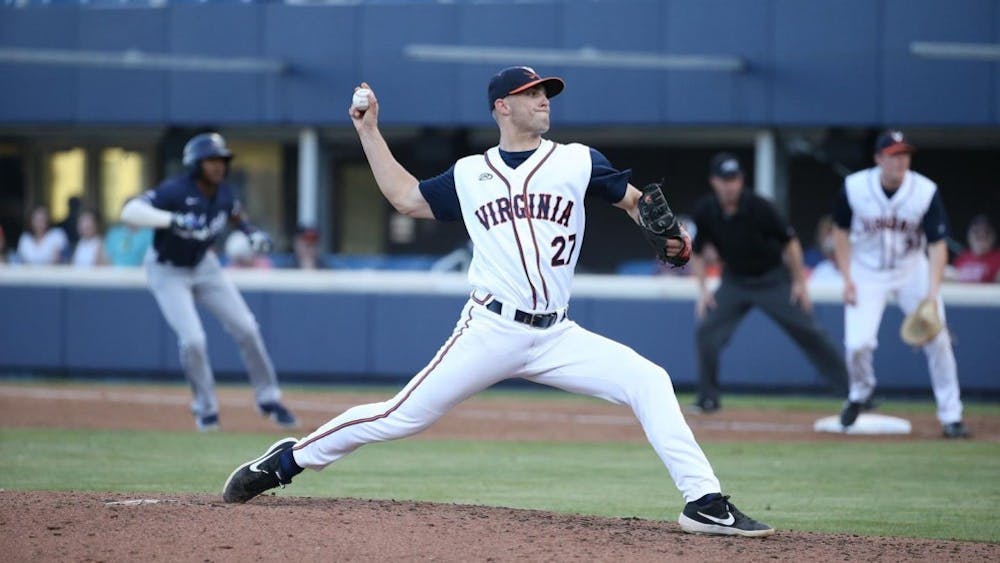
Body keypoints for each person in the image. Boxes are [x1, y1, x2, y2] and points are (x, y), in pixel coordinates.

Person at [222, 67, 774, 538]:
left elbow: (635, 202)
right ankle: (286, 461)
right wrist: (369, 132)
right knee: (399, 416)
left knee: (648, 379)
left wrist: (667, 234)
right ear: (502, 107)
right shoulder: (470, 174)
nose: (543, 101)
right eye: (533, 94)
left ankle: (704, 502)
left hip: (557, 335)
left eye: (547, 94)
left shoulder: (578, 161)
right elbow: (405, 199)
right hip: (490, 329)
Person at [119, 132, 298, 432]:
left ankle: (268, 398)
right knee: (193, 341)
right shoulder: (175, 190)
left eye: (222, 160)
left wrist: (253, 234)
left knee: (247, 328)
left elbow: (237, 217)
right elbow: (130, 212)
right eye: (211, 160)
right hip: (167, 269)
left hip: (204, 264)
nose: (218, 166)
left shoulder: (225, 192)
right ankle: (205, 409)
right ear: (196, 164)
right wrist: (171, 220)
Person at [832, 130, 969, 438]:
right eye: (893, 155)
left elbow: (937, 245)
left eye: (904, 154)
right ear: (879, 158)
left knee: (939, 338)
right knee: (858, 344)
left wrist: (932, 294)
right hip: (866, 270)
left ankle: (952, 416)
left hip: (912, 269)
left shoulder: (924, 190)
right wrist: (848, 278)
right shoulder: (855, 187)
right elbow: (840, 233)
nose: (900, 161)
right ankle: (860, 394)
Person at [689, 153, 848, 413]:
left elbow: (791, 242)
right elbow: (696, 251)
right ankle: (708, 398)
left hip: (772, 278)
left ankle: (852, 394)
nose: (730, 185)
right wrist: (703, 290)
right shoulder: (706, 210)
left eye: (734, 178)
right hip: (735, 280)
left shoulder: (760, 206)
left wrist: (800, 283)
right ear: (713, 181)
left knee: (809, 332)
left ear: (741, 180)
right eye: (724, 179)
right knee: (707, 332)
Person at [951, 214, 1000, 283]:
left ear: (994, 236)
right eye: (976, 232)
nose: (981, 236)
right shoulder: (962, 258)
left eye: (986, 232)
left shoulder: (998, 257)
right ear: (968, 235)